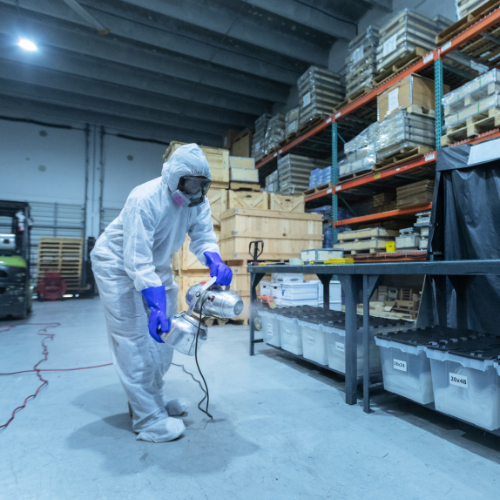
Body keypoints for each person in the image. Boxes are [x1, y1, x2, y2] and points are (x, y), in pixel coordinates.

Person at [91, 143, 232, 443]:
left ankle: (151, 400)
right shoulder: (144, 198)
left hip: (156, 265)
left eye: (200, 184)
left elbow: (204, 236)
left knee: (166, 340)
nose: (194, 190)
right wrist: (153, 304)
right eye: (188, 183)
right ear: (172, 177)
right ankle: (148, 418)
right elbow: (136, 260)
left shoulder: (196, 202)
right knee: (133, 340)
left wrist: (215, 260)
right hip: (118, 266)